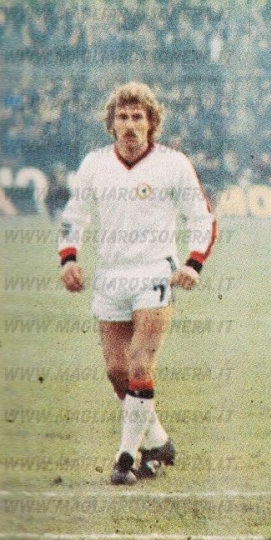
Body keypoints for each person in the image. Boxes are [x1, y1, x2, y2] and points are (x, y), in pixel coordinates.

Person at [58, 82, 217, 485]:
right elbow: (75, 215)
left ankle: (125, 459)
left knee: (140, 364)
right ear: (111, 124)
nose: (129, 125)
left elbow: (202, 218)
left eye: (138, 117)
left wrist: (193, 264)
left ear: (151, 123)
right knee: (117, 371)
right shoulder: (95, 164)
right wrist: (69, 258)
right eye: (122, 117)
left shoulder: (173, 164)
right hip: (110, 277)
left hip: (155, 273)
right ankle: (159, 441)